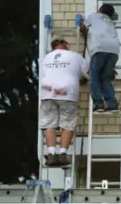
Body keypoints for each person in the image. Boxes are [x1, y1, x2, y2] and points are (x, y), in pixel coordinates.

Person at [40, 36, 89, 166]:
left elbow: (46, 73)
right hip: (67, 92)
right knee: (67, 123)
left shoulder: (46, 57)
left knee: (50, 124)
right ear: (65, 44)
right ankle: (62, 154)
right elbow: (87, 72)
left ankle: (51, 153)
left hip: (47, 92)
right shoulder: (75, 55)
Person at [80, 4, 120, 114]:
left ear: (100, 10)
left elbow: (82, 28)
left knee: (94, 77)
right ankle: (112, 104)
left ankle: (99, 104)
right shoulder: (111, 22)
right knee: (105, 78)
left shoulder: (94, 16)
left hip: (99, 48)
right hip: (114, 51)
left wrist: (84, 34)